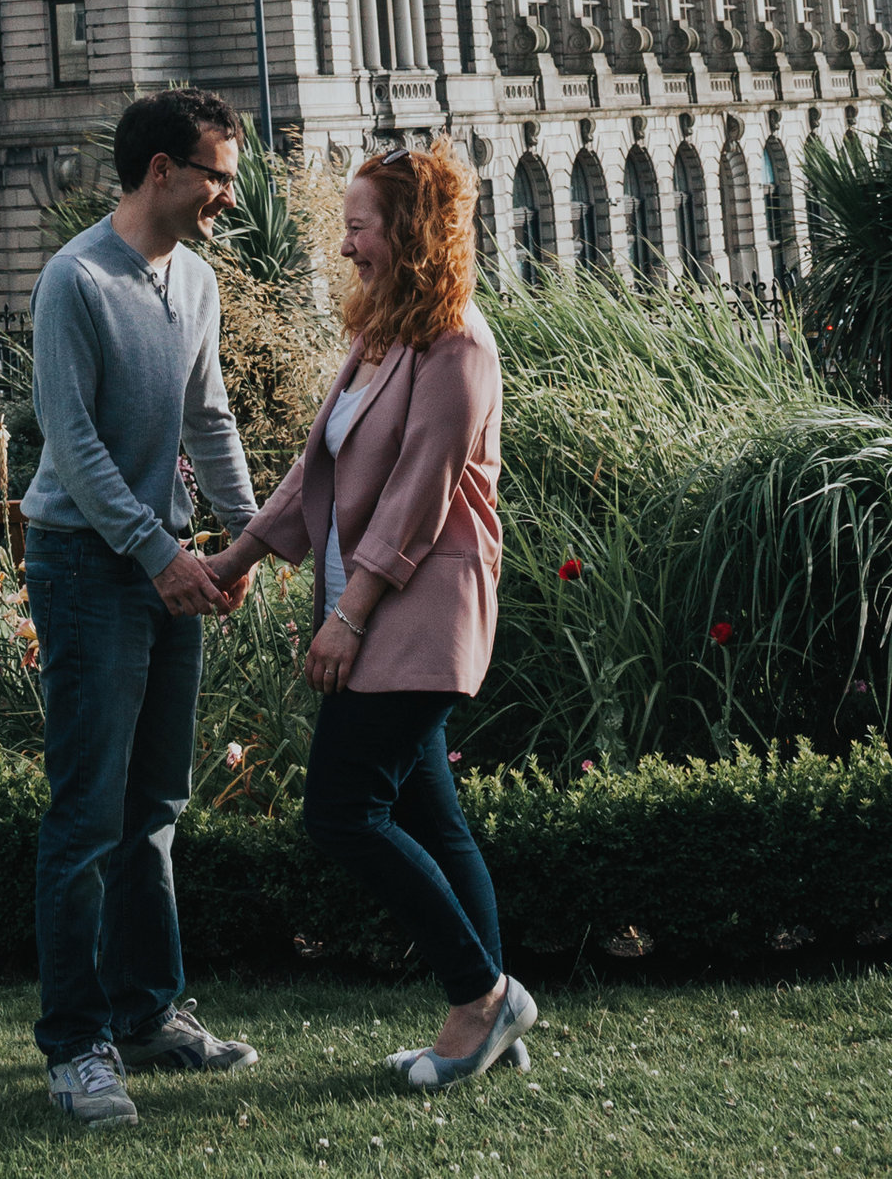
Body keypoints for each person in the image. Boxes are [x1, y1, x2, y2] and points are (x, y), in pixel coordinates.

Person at [207, 144, 533, 1092]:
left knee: (343, 811)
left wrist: (348, 616)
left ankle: (482, 993)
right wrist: (233, 559)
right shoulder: (383, 334)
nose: (345, 244)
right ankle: (489, 1020)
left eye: (359, 226)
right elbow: (319, 475)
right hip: (381, 609)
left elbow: (419, 499)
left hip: (417, 616)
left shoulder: (458, 343)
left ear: (412, 234)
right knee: (433, 817)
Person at [23, 85, 264, 1128]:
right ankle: (76, 1047)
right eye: (216, 174)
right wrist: (158, 549)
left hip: (163, 568)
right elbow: (71, 449)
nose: (227, 195)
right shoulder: (73, 280)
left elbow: (206, 417)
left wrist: (245, 535)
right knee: (87, 817)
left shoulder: (197, 281)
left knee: (156, 806)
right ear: (160, 170)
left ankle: (148, 1014)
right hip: (87, 566)